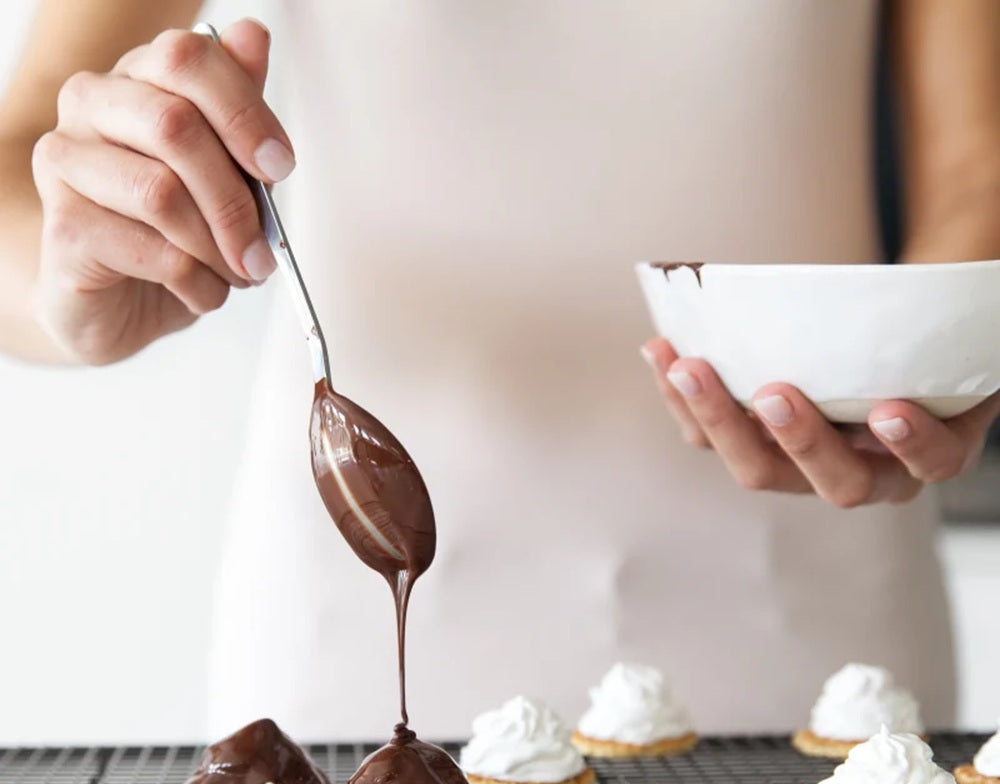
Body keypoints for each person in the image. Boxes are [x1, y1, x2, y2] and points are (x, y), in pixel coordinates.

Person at [1, 1, 998, 740]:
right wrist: (70, 274)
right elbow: (22, 169)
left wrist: (933, 351)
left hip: (825, 611)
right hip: (352, 639)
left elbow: (975, 169)